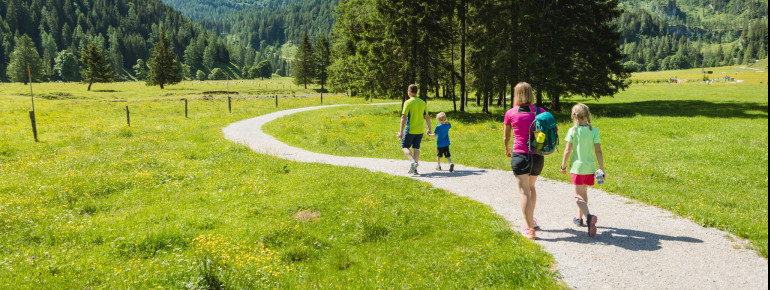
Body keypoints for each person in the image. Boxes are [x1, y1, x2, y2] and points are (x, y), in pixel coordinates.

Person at [503, 82, 546, 240]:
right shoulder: (540, 111)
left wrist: (507, 148)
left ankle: (529, 229)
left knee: (524, 191)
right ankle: (531, 221)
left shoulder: (511, 113)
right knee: (532, 187)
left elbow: (506, 136)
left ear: (516, 94)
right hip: (537, 156)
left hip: (520, 155)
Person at [560, 103, 605, 238]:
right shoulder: (594, 131)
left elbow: (567, 150)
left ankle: (589, 217)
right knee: (584, 191)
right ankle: (578, 218)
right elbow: (598, 151)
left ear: (574, 116)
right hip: (590, 168)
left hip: (578, 168)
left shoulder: (573, 131)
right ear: (587, 115)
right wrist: (601, 168)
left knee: (577, 196)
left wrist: (563, 165)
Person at [398, 84, 432, 175]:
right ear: (416, 92)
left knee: (404, 146)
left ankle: (413, 162)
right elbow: (427, 117)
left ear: (409, 92)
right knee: (416, 148)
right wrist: (429, 129)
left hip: (410, 129)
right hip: (420, 130)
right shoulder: (422, 102)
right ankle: (415, 170)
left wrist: (401, 132)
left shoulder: (408, 102)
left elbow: (403, 117)